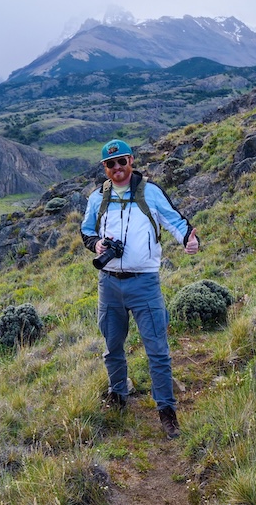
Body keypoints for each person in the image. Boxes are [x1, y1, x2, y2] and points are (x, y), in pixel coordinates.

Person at [80, 139, 199, 439]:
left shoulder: (150, 192)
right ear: (105, 168)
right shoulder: (99, 197)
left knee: (157, 350)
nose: (117, 168)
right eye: (111, 164)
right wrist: (96, 244)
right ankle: (118, 395)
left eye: (122, 161)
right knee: (113, 346)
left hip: (144, 282)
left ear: (132, 160)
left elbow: (175, 221)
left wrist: (189, 239)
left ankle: (166, 410)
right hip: (109, 283)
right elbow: (86, 230)